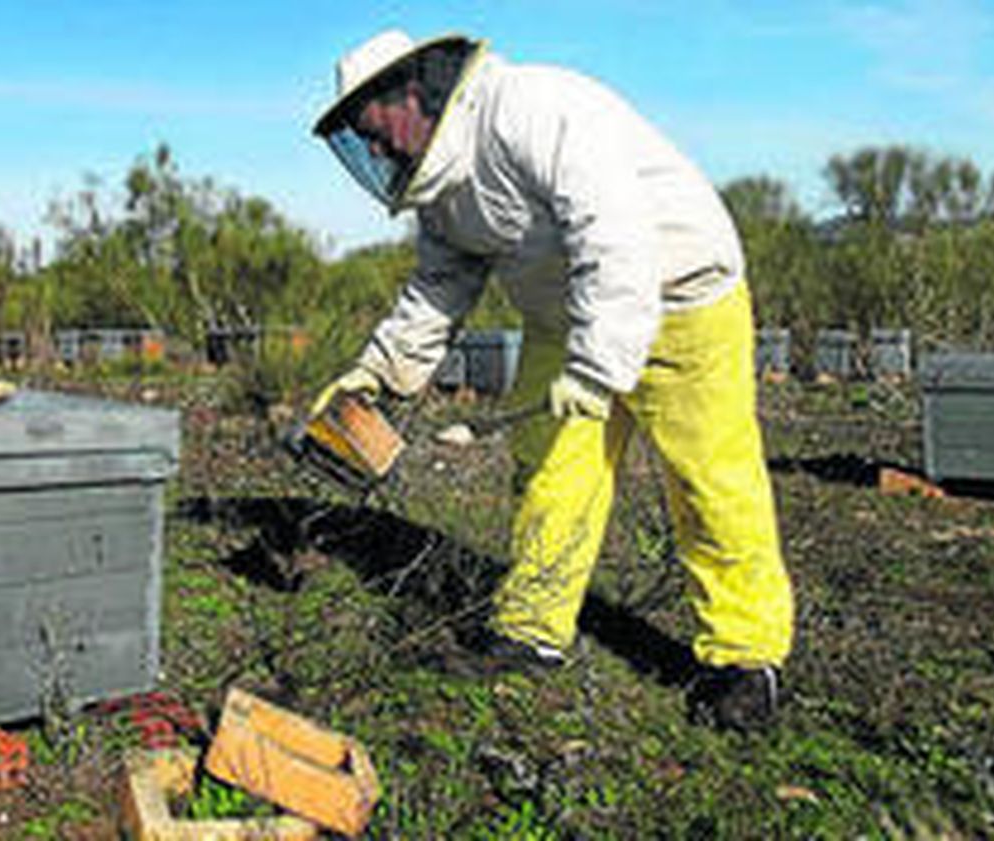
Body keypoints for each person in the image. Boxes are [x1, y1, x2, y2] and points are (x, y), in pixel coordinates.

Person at [310, 30, 794, 730]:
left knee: (709, 478)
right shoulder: (442, 190)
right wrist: (378, 373)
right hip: (566, 316)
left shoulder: (529, 108)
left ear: (409, 92)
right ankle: (530, 632)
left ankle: (746, 661)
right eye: (362, 141)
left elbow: (615, 235)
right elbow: (440, 286)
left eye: (374, 131)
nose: (375, 150)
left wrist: (598, 367)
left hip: (682, 291)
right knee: (550, 475)